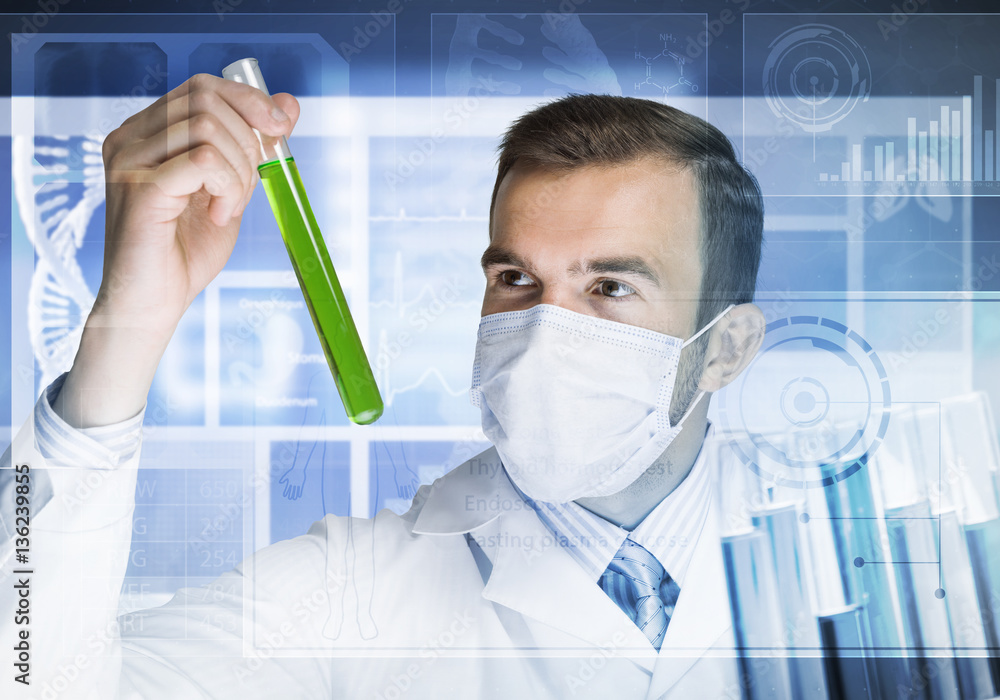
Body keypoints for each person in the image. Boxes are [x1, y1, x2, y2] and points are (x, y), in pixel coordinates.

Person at [1, 75, 765, 699]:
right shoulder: (349, 591)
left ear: (726, 350)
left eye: (610, 286)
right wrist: (126, 327)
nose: (544, 334)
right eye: (515, 279)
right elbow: (32, 679)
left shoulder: (856, 541)